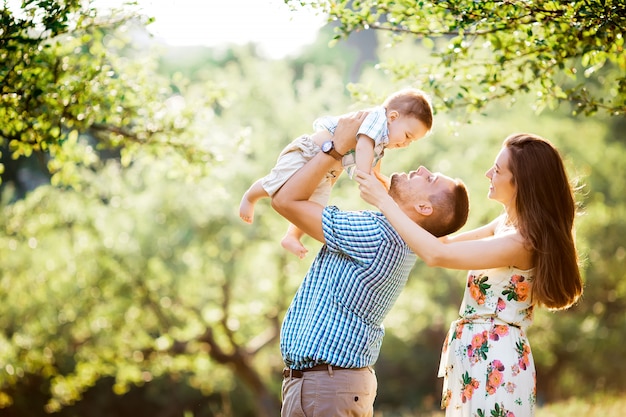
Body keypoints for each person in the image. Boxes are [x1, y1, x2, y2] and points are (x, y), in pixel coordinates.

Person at [355, 133, 583, 417]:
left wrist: (384, 203)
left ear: (521, 183)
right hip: (477, 353)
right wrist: (394, 193)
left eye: (498, 170)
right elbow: (441, 242)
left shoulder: (521, 243)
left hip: (496, 360)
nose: (489, 173)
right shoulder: (505, 224)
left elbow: (437, 256)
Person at [271, 111, 470, 417]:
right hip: (327, 385)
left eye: (429, 178)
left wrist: (336, 150)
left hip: (326, 386)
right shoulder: (391, 234)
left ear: (423, 207)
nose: (420, 168)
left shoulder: (378, 235)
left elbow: (285, 201)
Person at [240, 87, 433, 259]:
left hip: (328, 169)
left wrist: (377, 177)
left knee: (313, 204)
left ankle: (292, 236)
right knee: (278, 182)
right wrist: (364, 174)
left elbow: (375, 158)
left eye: (411, 141)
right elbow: (365, 145)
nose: (406, 144)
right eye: (407, 136)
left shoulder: (384, 137)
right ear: (393, 117)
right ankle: (251, 196)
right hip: (308, 152)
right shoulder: (376, 119)